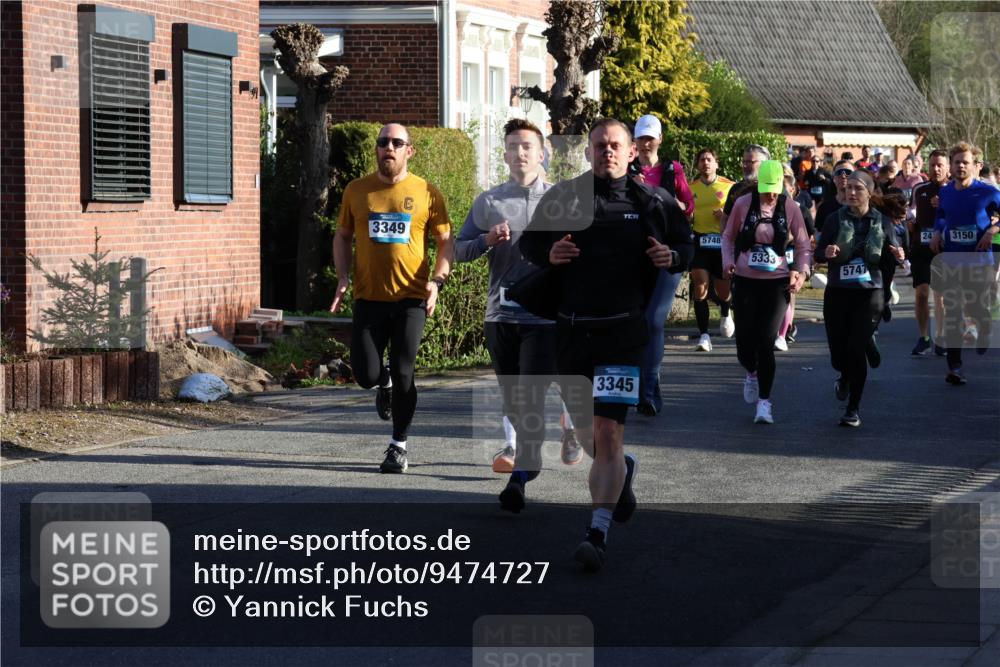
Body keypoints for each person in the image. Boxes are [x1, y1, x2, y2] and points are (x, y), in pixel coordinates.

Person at [519, 118, 692, 571]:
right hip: (574, 331)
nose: (607, 153)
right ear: (589, 151)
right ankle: (622, 472)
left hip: (622, 334)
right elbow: (532, 246)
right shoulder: (565, 198)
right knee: (585, 434)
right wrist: (550, 254)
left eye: (615, 146)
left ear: (632, 151)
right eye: (599, 146)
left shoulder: (652, 200)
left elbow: (686, 244)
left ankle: (597, 532)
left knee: (608, 433)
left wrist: (671, 257)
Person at [454, 118, 583, 477]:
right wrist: (486, 241)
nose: (519, 152)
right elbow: (459, 250)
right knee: (511, 390)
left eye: (527, 146)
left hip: (546, 314)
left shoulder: (562, 199)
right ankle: (526, 442)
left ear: (542, 153)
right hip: (501, 313)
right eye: (512, 146)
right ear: (505, 154)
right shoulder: (489, 200)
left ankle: (532, 447)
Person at [330, 123, 454, 473]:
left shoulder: (427, 192)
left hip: (411, 299)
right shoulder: (357, 191)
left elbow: (446, 241)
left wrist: (438, 281)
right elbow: (342, 236)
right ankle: (379, 383)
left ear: (409, 151)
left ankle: (398, 445)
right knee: (366, 375)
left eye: (397, 143)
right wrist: (342, 277)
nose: (389, 147)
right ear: (377, 150)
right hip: (369, 298)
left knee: (404, 372)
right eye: (383, 142)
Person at [722, 160, 811, 424]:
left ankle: (764, 403)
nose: (771, 194)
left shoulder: (790, 207)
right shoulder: (743, 204)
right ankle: (751, 372)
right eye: (766, 189)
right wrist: (727, 261)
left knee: (765, 342)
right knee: (744, 347)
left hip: (777, 282)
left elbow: (804, 245)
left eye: (775, 189)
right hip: (746, 280)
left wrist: (802, 272)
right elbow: (728, 237)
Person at [815, 170, 903, 427]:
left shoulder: (883, 222)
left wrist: (898, 256)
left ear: (869, 192)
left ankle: (853, 408)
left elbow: (893, 256)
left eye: (858, 188)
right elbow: (819, 252)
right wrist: (826, 252)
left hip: (870, 293)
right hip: (838, 292)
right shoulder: (834, 219)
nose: (851, 193)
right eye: (847, 188)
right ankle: (844, 375)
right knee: (838, 356)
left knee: (855, 351)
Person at [630, 113, 695, 416]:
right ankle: (648, 390)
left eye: (650, 138)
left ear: (659, 140)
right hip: (635, 256)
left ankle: (647, 389)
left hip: (669, 250)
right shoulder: (626, 170)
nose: (645, 143)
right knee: (637, 321)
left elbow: (689, 206)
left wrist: (672, 203)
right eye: (641, 138)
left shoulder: (672, 169)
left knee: (655, 320)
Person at [929, 142, 1000, 385]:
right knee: (954, 312)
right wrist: (938, 232)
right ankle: (955, 367)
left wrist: (992, 230)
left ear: (973, 166)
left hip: (980, 262)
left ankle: (985, 328)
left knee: (977, 308)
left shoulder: (988, 192)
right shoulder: (947, 192)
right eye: (957, 162)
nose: (960, 166)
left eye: (965, 162)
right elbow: (941, 216)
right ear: (951, 165)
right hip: (952, 261)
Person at [688, 148, 735, 354]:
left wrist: (725, 215)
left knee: (723, 290)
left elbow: (738, 213)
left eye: (709, 159)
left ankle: (726, 311)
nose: (705, 163)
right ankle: (704, 335)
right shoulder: (691, 187)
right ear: (698, 165)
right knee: (700, 286)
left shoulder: (729, 186)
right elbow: (686, 211)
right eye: (701, 160)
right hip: (699, 241)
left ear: (716, 164)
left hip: (722, 243)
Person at [907, 149, 950, 356]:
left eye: (940, 165)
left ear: (947, 167)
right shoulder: (919, 188)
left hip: (943, 250)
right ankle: (923, 337)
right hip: (920, 248)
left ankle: (940, 336)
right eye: (933, 165)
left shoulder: (954, 190)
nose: (936, 169)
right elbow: (910, 211)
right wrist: (910, 222)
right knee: (922, 293)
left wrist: (945, 206)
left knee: (940, 296)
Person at [775, 164, 816, 350]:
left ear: (793, 189)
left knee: (788, 293)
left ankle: (784, 332)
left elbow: (810, 234)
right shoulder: (770, 206)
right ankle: (779, 327)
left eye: (785, 186)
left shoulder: (800, 208)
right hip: (775, 255)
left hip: (793, 254)